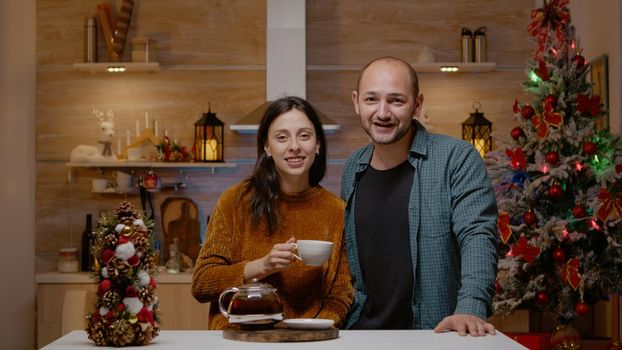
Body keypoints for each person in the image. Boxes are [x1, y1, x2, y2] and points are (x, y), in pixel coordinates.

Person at [341, 56, 498, 336]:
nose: (382, 112)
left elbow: (477, 235)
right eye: (371, 99)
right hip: (361, 334)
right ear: (356, 102)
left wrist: (470, 308)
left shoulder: (456, 158)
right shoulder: (353, 167)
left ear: (417, 104)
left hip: (433, 334)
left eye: (396, 100)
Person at [192, 96, 353, 329]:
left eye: (304, 135)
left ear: (317, 144)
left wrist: (307, 332)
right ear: (267, 147)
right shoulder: (235, 201)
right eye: (282, 137)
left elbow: (341, 295)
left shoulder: (337, 211)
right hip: (238, 341)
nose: (294, 146)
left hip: (306, 345)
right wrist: (263, 266)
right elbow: (201, 284)